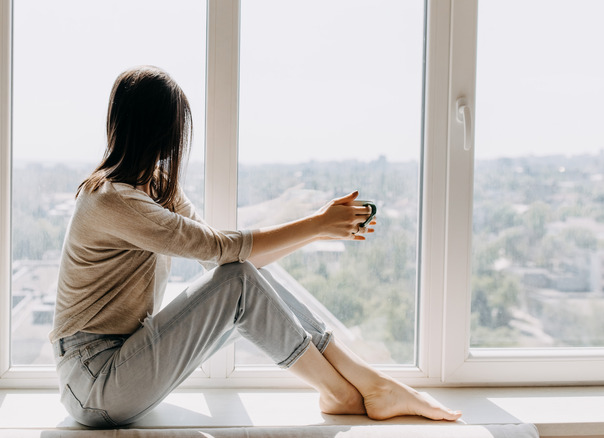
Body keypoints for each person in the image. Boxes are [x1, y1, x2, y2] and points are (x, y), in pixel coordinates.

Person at [51, 65, 462, 428]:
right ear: (166, 132)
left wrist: (318, 229)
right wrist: (316, 224)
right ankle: (344, 392)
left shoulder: (155, 190)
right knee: (238, 280)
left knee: (242, 277)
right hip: (94, 382)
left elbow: (236, 261)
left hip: (123, 366)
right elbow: (219, 249)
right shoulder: (111, 200)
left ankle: (368, 383)